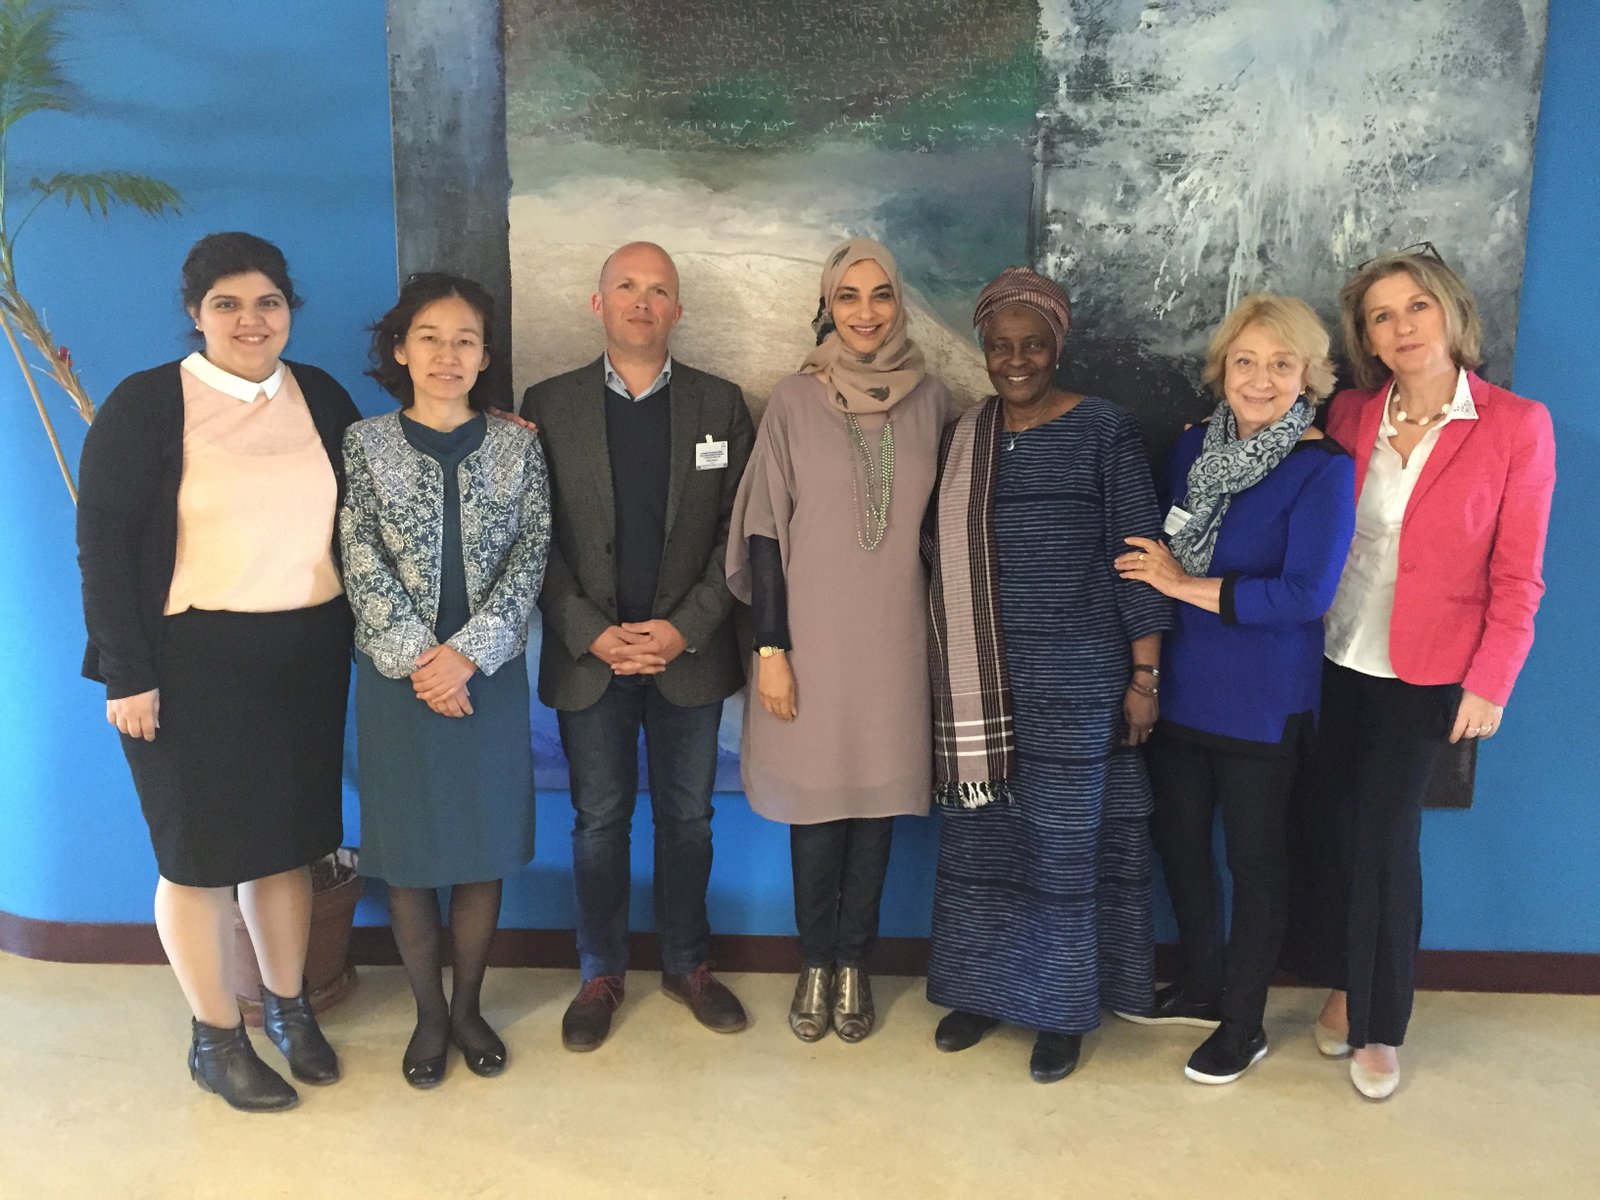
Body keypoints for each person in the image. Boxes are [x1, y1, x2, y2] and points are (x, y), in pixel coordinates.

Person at [76, 232, 359, 1111]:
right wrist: (127, 675)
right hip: (183, 664)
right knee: (196, 861)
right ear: (195, 314)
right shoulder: (149, 403)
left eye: (268, 302)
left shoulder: (320, 395)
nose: (250, 319)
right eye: (227, 304)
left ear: (289, 312)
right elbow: (103, 548)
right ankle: (215, 1039)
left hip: (304, 657)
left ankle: (288, 1009)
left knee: (285, 850)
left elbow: (386, 484)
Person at [1281, 246, 1555, 1101]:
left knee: (1388, 840)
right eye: (1381, 317)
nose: (1401, 328)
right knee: (1328, 829)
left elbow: (1520, 574)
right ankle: (1339, 989)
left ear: (1450, 314)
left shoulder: (1516, 424)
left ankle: (1379, 1023)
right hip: (1329, 655)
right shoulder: (1354, 413)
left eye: (1415, 308)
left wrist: (1493, 681)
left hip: (1429, 671)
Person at [923, 266, 1172, 1082]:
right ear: (985, 350)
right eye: (1000, 346)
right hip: (982, 687)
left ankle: (1060, 1009)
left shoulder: (1104, 429)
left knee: (1060, 851)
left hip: (1079, 683)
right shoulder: (967, 434)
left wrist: (1145, 675)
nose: (1015, 359)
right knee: (984, 843)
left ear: (1056, 346)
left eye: (1032, 345)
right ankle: (983, 993)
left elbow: (1139, 559)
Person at [1111, 294, 1355, 1085]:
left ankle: (1243, 1024)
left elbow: (1302, 597)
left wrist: (1184, 586)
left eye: (1281, 364)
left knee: (1255, 864)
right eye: (1246, 362)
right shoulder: (1190, 450)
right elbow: (1156, 553)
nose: (1260, 379)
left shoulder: (1322, 469)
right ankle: (1204, 982)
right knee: (1179, 843)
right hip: (1182, 691)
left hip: (1263, 702)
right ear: (1222, 371)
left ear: (1310, 377)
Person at [520, 241, 754, 1052]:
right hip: (592, 659)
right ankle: (600, 971)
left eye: (660, 290)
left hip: (687, 655)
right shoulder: (547, 404)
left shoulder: (722, 407)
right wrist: (593, 633)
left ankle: (689, 964)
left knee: (689, 819)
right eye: (627, 286)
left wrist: (685, 627)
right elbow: (533, 538)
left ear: (678, 311)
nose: (642, 302)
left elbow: (741, 537)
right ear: (599, 304)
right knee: (599, 821)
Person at [725, 237, 947, 1043]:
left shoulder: (933, 400)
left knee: (876, 806)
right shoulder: (793, 399)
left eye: (880, 294)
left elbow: (946, 531)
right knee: (818, 815)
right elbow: (763, 535)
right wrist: (773, 650)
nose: (864, 311)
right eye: (848, 296)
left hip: (895, 644)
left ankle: (856, 962)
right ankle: (816, 961)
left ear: (898, 303)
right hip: (809, 643)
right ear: (827, 305)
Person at [341, 273, 550, 1087]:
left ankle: (469, 1009)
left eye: (465, 339)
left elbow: (532, 552)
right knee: (411, 854)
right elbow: (357, 556)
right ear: (401, 348)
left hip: (488, 678)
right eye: (429, 336)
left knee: (479, 848)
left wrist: (470, 653)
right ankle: (428, 1016)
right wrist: (421, 662)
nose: (447, 353)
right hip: (398, 685)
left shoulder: (517, 445)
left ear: (485, 356)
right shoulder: (365, 445)